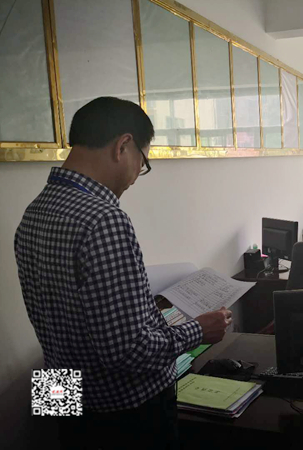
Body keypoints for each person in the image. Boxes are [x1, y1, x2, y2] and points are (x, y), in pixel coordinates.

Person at [14, 97, 232, 449]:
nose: (135, 177)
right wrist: (199, 331)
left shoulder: (34, 211)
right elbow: (128, 351)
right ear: (123, 146)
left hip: (60, 392)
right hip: (120, 412)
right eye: (142, 163)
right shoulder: (103, 218)